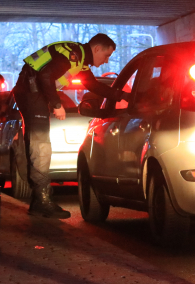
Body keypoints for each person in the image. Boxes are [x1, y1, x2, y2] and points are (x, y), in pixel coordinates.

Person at [14, 33, 127, 219]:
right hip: (31, 92)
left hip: (32, 93)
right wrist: (57, 105)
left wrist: (124, 96)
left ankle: (38, 201)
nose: (106, 61)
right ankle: (42, 201)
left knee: (38, 145)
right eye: (106, 55)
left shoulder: (79, 61)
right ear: (96, 49)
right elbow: (45, 75)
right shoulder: (72, 54)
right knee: (41, 146)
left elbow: (94, 86)